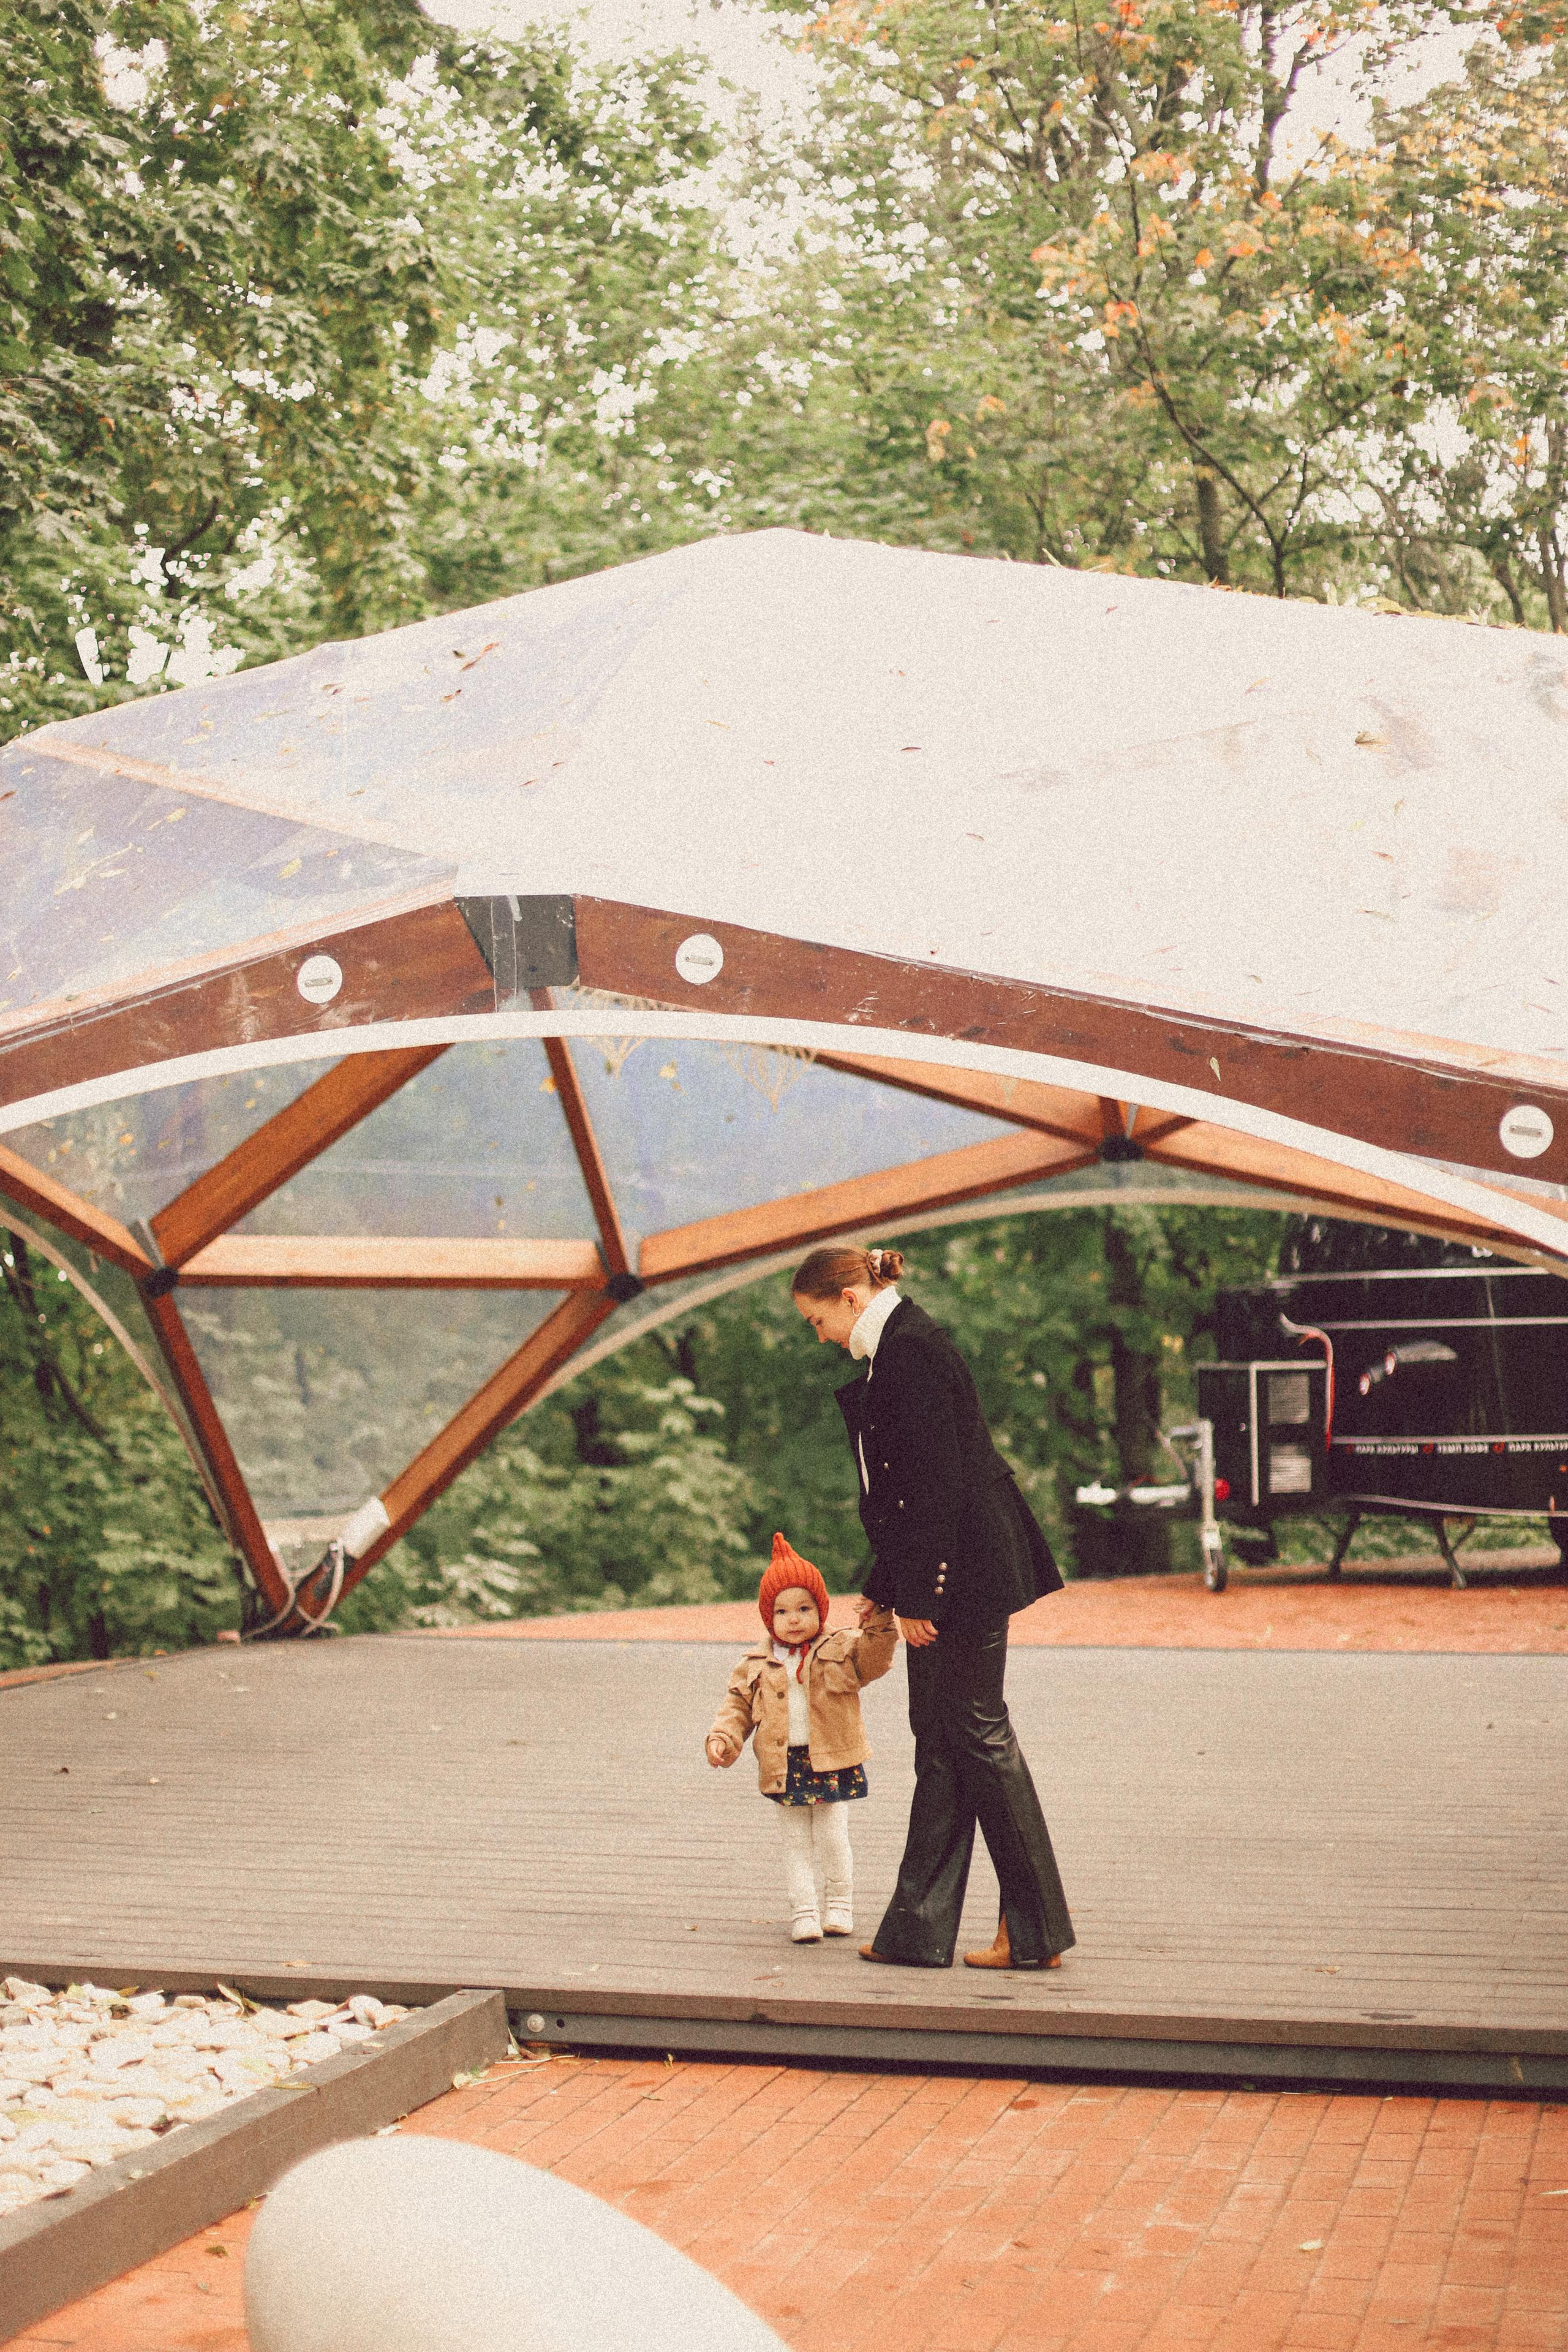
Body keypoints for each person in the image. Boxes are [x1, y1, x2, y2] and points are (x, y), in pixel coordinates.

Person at [792, 1243, 1075, 1972]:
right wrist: (887, 1579)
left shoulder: (912, 1350)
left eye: (816, 1318)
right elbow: (902, 1488)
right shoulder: (898, 1348)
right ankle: (918, 1930)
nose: (816, 1336)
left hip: (966, 1572)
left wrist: (923, 1592)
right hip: (957, 1565)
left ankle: (1035, 1929)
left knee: (974, 1733)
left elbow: (940, 1481)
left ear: (850, 1299)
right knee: (944, 1738)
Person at [706, 1532, 897, 1942]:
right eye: (782, 1611)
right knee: (794, 1839)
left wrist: (879, 1619)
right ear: (768, 1617)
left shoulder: (842, 1647)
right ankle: (804, 1911)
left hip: (832, 1758)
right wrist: (723, 1737)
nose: (793, 1619)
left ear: (820, 1609)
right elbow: (737, 1707)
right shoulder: (755, 1663)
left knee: (832, 1834)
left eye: (804, 1608)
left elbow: (876, 1659)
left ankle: (840, 1903)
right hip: (785, 1764)